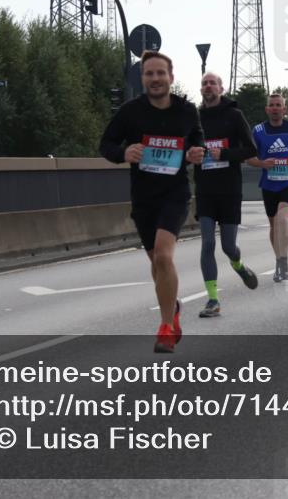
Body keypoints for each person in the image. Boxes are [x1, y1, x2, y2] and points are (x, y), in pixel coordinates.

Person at [99, 51, 204, 353]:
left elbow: (196, 137)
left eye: (161, 73)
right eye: (149, 74)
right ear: (142, 78)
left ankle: (166, 328)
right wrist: (124, 153)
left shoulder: (186, 110)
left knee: (162, 255)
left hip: (175, 193)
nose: (155, 79)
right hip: (143, 197)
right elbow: (106, 144)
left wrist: (197, 150)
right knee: (157, 264)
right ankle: (173, 308)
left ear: (171, 77)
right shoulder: (131, 112)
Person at [194, 72, 260, 318]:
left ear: (221, 88)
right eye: (204, 83)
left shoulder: (234, 115)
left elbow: (251, 149)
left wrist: (226, 154)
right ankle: (213, 299)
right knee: (208, 243)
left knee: (228, 246)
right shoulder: (195, 119)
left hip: (229, 189)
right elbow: (185, 148)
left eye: (212, 83)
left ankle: (239, 265)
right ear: (200, 89)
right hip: (205, 189)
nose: (208, 86)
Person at [246, 93, 288, 283]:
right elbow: (248, 158)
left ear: (285, 109)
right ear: (267, 109)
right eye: (272, 105)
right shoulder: (258, 131)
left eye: (278, 105)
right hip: (268, 183)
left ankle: (284, 262)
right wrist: (262, 164)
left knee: (283, 219)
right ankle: (278, 260)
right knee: (273, 224)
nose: (275, 108)